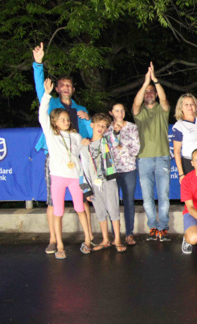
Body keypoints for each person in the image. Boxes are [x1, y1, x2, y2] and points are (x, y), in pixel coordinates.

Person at [32, 43, 94, 254]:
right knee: (53, 202)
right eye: (62, 85)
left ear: (73, 89)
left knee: (83, 200)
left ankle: (89, 238)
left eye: (69, 85)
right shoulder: (51, 106)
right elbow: (42, 93)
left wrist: (88, 121)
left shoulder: (81, 109)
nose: (66, 87)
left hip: (77, 161)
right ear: (58, 88)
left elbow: (88, 136)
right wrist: (38, 64)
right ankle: (53, 240)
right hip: (56, 161)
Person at [132, 62, 171, 242]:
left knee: (163, 195)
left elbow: (164, 100)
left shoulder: (162, 110)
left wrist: (155, 81)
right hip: (143, 158)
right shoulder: (138, 113)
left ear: (155, 93)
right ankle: (152, 227)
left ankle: (163, 227)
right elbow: (135, 103)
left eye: (151, 91)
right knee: (147, 197)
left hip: (162, 156)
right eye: (146, 92)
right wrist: (145, 83)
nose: (149, 94)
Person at [80, 113, 126, 253]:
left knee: (113, 209)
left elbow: (116, 141)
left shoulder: (107, 140)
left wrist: (116, 130)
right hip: (94, 183)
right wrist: (86, 189)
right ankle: (105, 239)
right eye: (99, 125)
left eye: (104, 126)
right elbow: (83, 169)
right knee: (100, 211)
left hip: (109, 180)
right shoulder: (84, 147)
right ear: (92, 125)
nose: (101, 128)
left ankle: (117, 238)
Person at [107, 103, 140, 246]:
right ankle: (115, 235)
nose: (120, 113)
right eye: (116, 110)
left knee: (129, 202)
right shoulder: (107, 128)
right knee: (112, 203)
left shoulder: (132, 127)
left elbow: (136, 149)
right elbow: (108, 148)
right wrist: (115, 136)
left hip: (128, 169)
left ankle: (129, 233)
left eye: (122, 110)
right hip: (112, 170)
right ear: (111, 113)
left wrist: (122, 142)